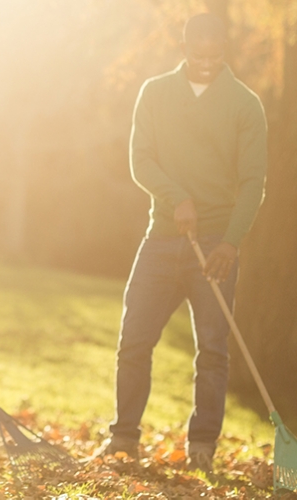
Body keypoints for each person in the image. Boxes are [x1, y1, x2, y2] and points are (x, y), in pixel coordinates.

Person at [98, 13, 267, 473]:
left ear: (225, 51)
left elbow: (254, 183)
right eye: (199, 54)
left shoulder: (245, 105)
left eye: (216, 55)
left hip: (215, 247)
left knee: (213, 350)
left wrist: (230, 243)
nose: (208, 63)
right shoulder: (155, 93)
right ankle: (124, 437)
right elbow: (141, 160)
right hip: (161, 240)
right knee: (134, 340)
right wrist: (177, 198)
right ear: (184, 47)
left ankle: (203, 444)